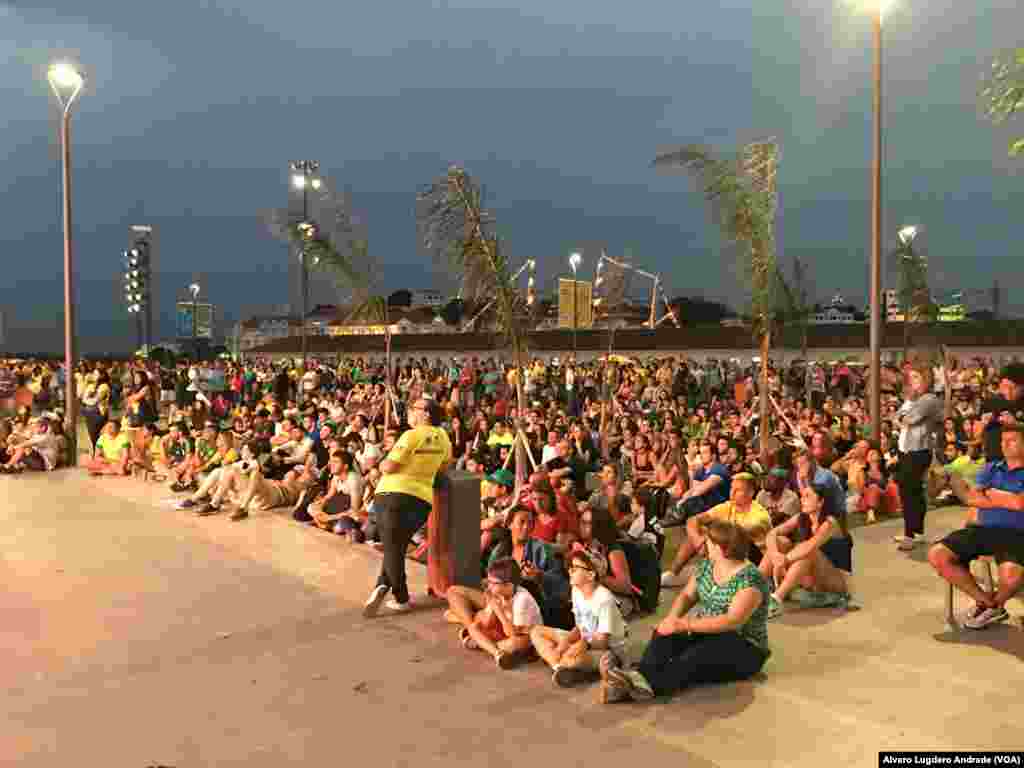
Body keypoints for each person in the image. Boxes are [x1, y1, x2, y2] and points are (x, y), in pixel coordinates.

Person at [602, 520, 770, 703]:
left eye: (708, 543)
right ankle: (637, 680)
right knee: (664, 635)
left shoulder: (750, 580)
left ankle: (643, 684)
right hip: (707, 631)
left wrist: (683, 624)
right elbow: (688, 596)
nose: (703, 546)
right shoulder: (708, 565)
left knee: (695, 656)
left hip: (743, 645)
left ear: (720, 549)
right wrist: (672, 619)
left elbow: (732, 621)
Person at [928, 424, 1024, 630]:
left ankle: (994, 605)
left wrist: (988, 495)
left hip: (1018, 534)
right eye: (1003, 441)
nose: (1005, 445)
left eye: (1012, 440)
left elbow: (1020, 503)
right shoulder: (991, 468)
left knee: (1011, 576)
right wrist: (1007, 499)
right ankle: (988, 604)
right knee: (938, 555)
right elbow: (972, 497)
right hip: (982, 530)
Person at [363, 398, 452, 617]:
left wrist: (381, 463)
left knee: (393, 548)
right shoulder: (444, 438)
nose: (410, 412)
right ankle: (381, 585)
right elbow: (444, 465)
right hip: (421, 500)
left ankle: (401, 597)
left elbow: (390, 466)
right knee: (397, 546)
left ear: (427, 414)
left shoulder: (411, 435)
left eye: (415, 408)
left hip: (392, 495)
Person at [530, 548, 628, 688]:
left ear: (591, 574)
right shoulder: (576, 591)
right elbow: (580, 627)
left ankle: (564, 665)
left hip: (607, 650)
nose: (569, 571)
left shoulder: (604, 598)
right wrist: (567, 641)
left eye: (575, 568)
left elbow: (603, 641)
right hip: (584, 640)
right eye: (570, 567)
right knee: (536, 631)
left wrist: (582, 644)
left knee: (573, 658)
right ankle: (560, 667)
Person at [661, 472, 770, 587]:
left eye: (738, 490)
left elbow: (736, 534)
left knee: (715, 536)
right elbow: (693, 520)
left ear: (750, 493)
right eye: (731, 488)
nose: (732, 493)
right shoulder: (727, 506)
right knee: (698, 531)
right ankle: (673, 574)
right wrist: (697, 539)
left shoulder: (759, 514)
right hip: (732, 554)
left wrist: (707, 536)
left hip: (754, 559)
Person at [764, 483, 853, 618]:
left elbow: (810, 546)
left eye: (807, 496)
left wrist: (784, 560)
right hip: (810, 582)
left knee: (809, 552)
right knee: (781, 541)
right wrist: (775, 555)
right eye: (802, 496)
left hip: (835, 584)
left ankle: (776, 599)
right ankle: (751, 585)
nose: (802, 500)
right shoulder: (801, 517)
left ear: (821, 502)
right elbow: (772, 533)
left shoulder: (830, 523)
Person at [445, 557, 542, 670]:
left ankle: (480, 643)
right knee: (473, 627)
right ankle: (498, 653)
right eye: (488, 581)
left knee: (515, 643)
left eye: (493, 583)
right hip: (503, 630)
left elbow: (512, 633)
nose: (488, 585)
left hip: (523, 636)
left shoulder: (522, 599)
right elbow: (487, 623)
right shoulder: (499, 593)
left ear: (508, 585)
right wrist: (491, 606)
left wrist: (498, 610)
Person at [893, 364, 943, 551]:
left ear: (926, 379)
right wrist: (904, 414)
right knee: (912, 492)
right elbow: (896, 418)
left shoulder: (929, 399)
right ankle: (917, 532)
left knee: (909, 494)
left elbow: (909, 420)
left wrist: (903, 417)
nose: (912, 382)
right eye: (911, 378)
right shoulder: (913, 400)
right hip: (906, 451)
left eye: (916, 377)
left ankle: (909, 535)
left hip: (918, 452)